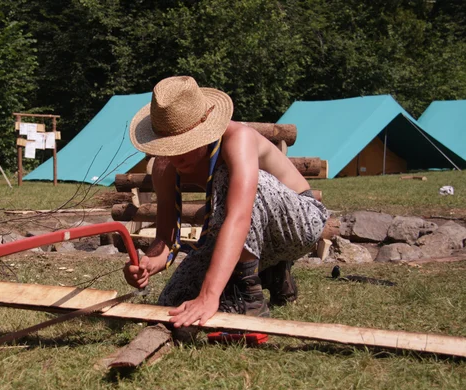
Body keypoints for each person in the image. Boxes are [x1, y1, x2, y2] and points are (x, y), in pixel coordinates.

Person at [123, 76, 329, 329]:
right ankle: (270, 271)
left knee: (229, 178)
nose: (175, 156)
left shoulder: (238, 138)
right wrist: (150, 262)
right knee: (172, 301)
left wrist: (209, 296)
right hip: (244, 233)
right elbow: (165, 239)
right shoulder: (163, 168)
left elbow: (239, 216)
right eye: (168, 146)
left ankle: (248, 296)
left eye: (183, 144)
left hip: (299, 224)